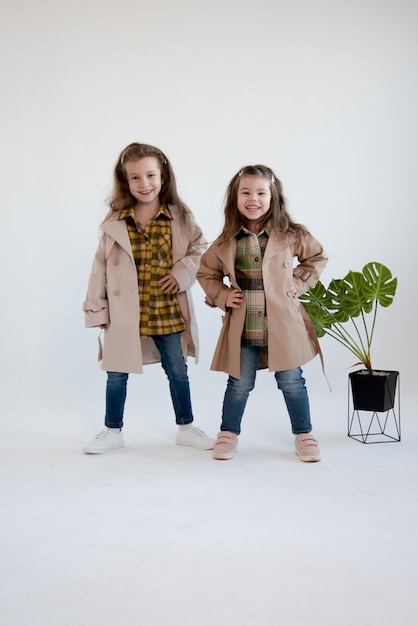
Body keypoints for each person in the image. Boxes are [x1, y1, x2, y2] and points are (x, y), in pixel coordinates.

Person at [82, 142, 214, 454]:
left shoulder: (180, 216)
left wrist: (182, 273)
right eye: (136, 177)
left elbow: (199, 249)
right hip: (124, 312)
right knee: (116, 374)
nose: (145, 184)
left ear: (163, 176)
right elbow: (99, 266)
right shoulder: (115, 220)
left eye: (151, 175)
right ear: (125, 182)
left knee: (178, 371)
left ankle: (186, 427)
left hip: (166, 309)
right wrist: (98, 311)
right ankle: (112, 430)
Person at [196, 165, 328, 461]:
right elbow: (206, 272)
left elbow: (316, 257)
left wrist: (297, 282)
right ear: (235, 197)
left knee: (292, 380)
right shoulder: (227, 240)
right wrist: (223, 295)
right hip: (245, 327)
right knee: (239, 383)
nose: (252, 198)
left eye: (260, 192)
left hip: (283, 324)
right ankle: (228, 433)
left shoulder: (291, 234)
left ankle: (304, 433)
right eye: (245, 192)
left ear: (273, 197)